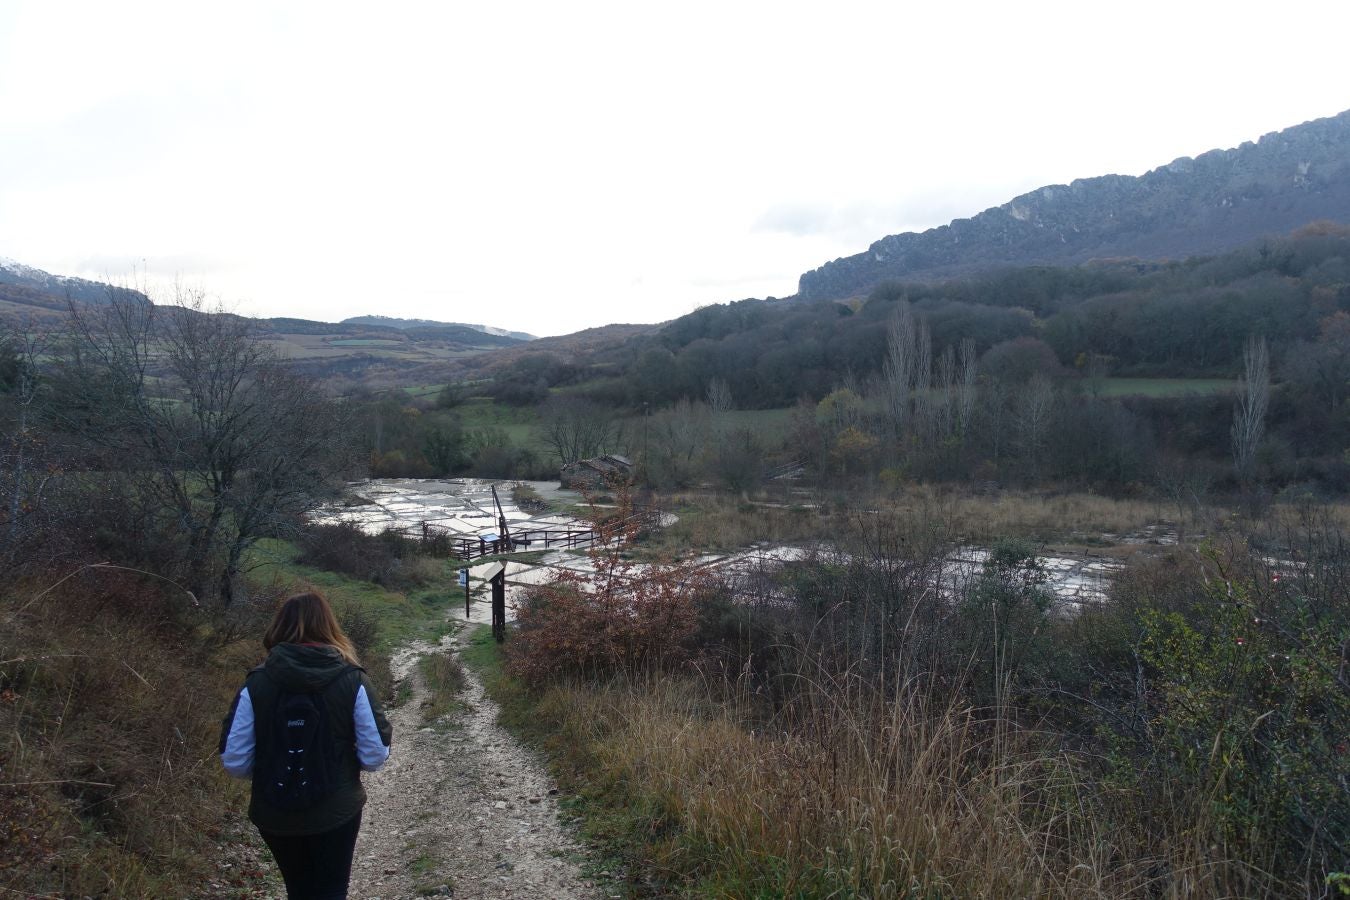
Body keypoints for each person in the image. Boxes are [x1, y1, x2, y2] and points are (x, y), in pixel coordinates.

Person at [219, 591, 392, 899]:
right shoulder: (352, 680)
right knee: (331, 889)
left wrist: (272, 769)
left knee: (298, 890)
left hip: (274, 813)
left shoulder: (255, 683)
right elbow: (375, 755)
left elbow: (235, 760)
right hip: (336, 810)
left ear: (279, 628)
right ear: (329, 627)